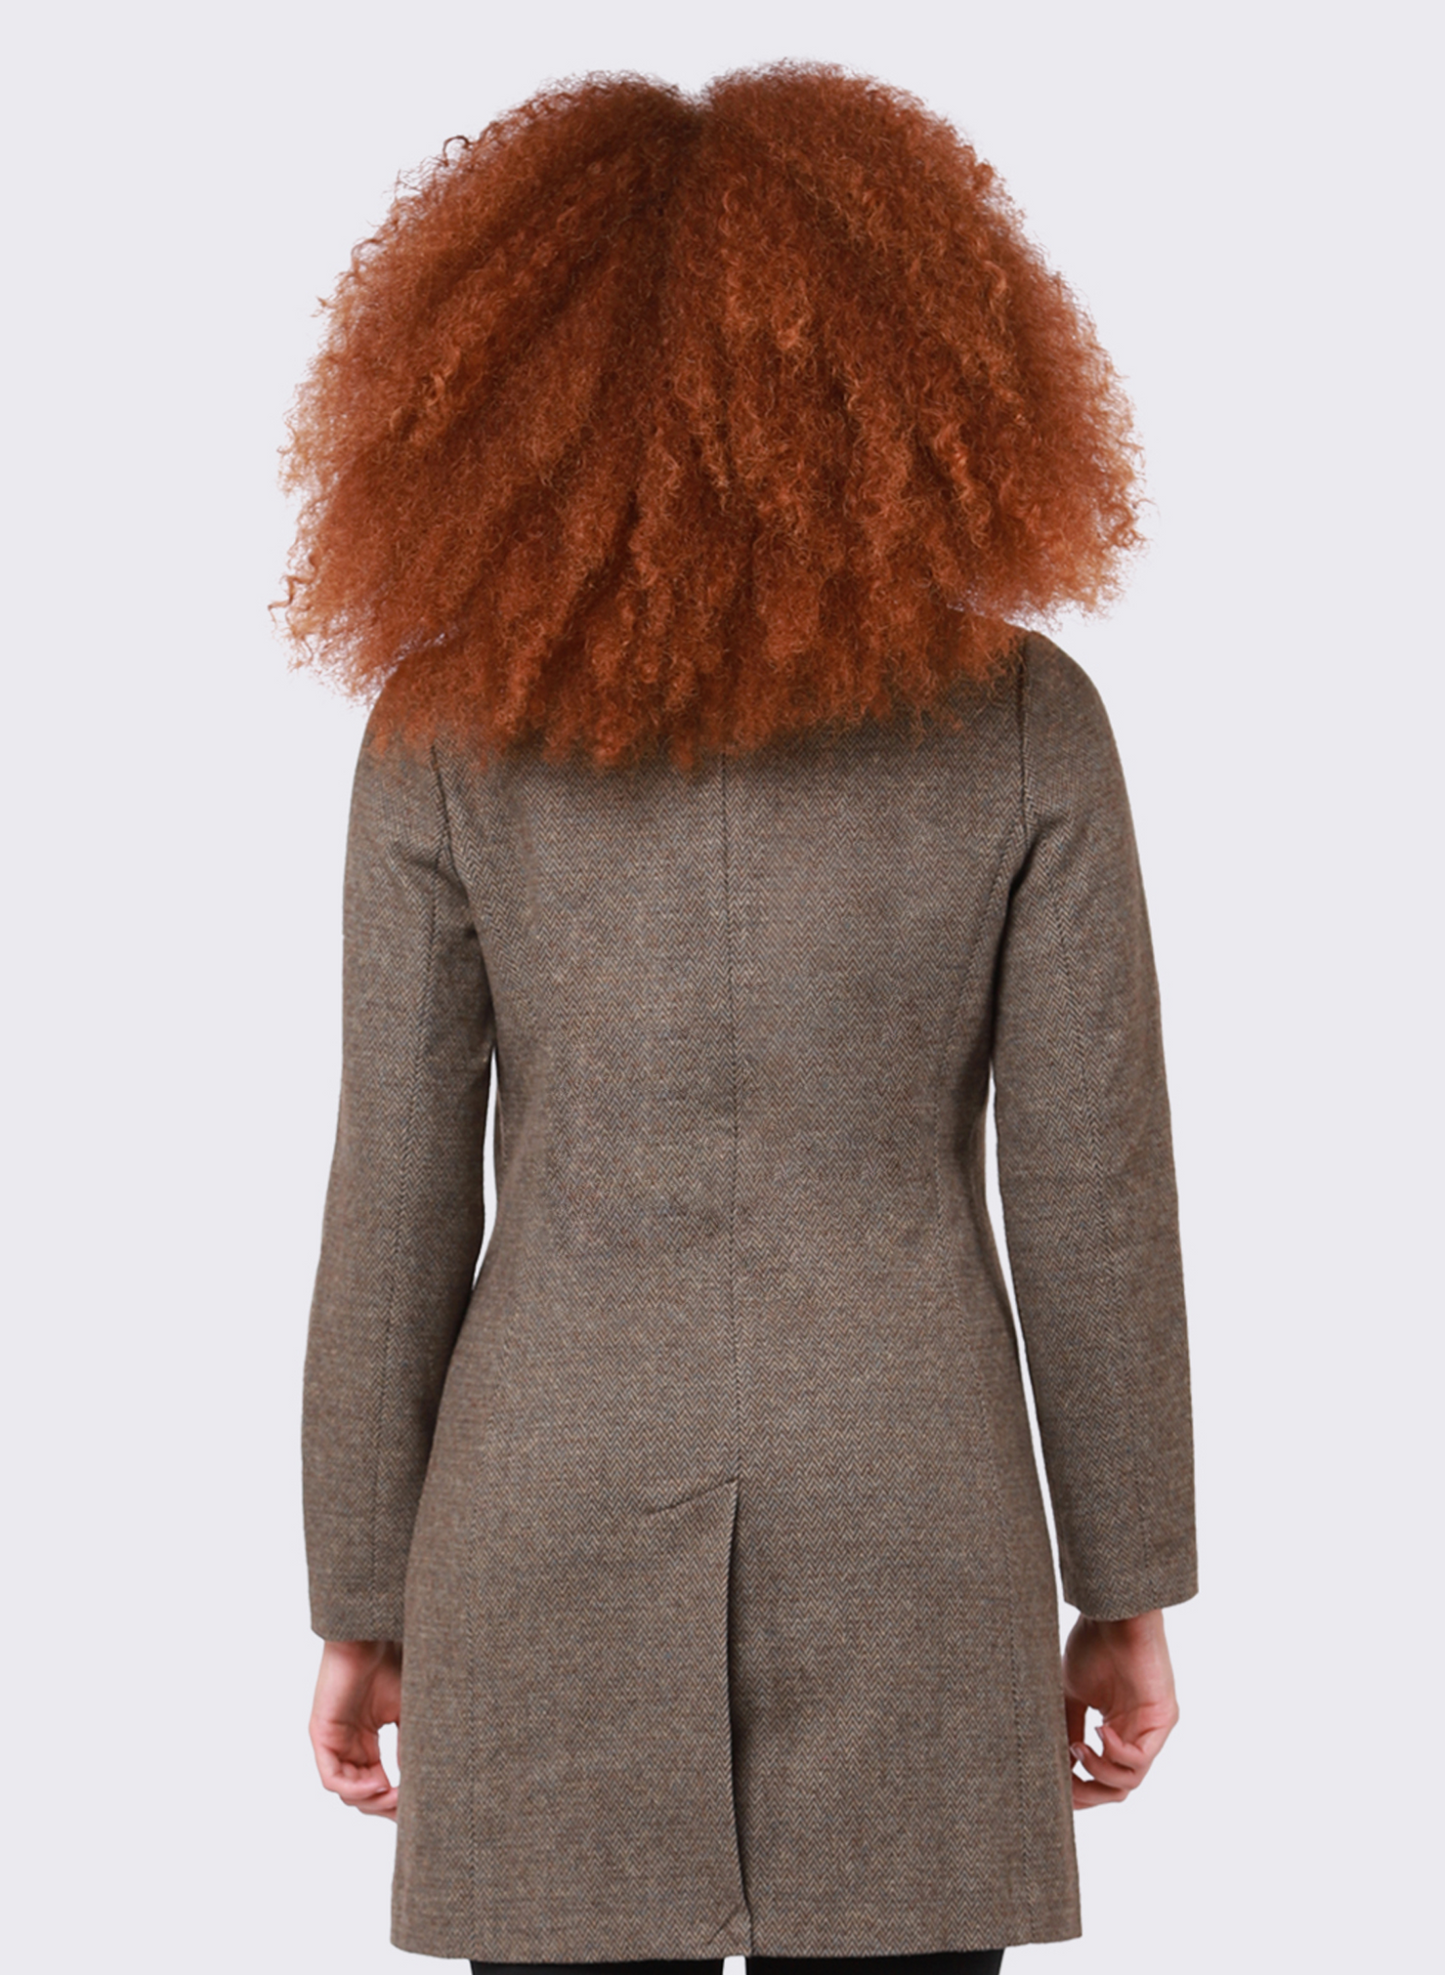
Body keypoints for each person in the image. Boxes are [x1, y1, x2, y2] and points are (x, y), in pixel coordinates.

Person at [284, 59, 1197, 1975]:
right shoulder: (1025, 723)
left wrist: (362, 1590)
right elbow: (1092, 1190)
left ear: (506, 389)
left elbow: (397, 1193)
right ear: (922, 381)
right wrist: (1127, 1584)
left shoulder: (440, 736)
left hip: (537, 1526)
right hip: (916, 1522)